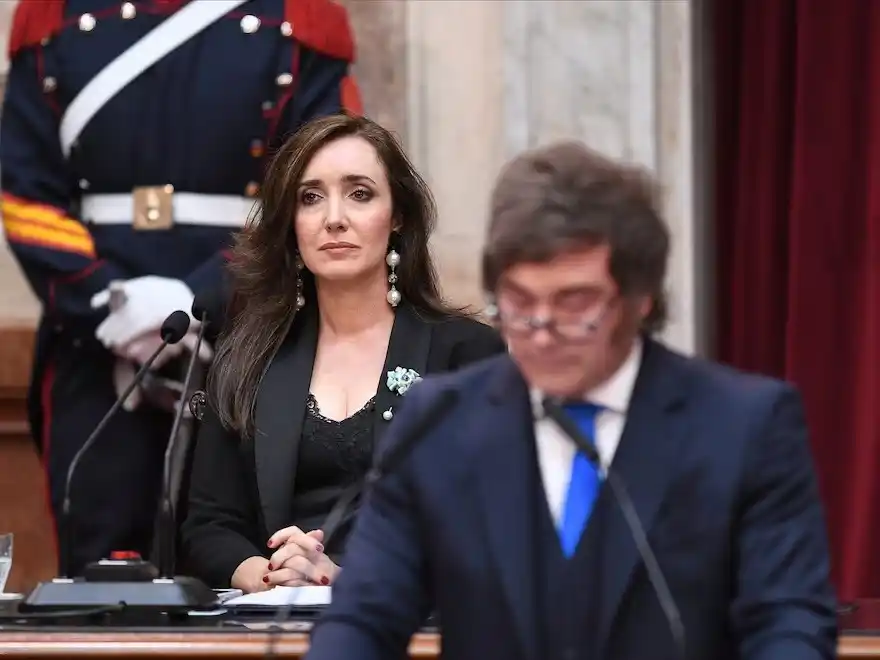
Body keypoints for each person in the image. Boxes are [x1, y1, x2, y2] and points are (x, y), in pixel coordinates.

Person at [306, 142, 838, 659]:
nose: (540, 330)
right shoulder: (439, 423)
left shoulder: (744, 426)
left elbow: (788, 624)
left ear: (640, 297)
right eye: (518, 302)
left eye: (574, 303)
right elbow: (364, 619)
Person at [0, 0, 363, 577]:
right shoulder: (53, 15)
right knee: (99, 583)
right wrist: (108, 302)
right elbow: (24, 194)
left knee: (249, 563)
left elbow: (322, 176)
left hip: (251, 338)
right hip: (96, 347)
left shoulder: (298, 14)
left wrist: (201, 301)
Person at [178, 113, 506, 593]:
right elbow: (208, 525)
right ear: (291, 224)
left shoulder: (469, 356)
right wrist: (274, 577)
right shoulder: (248, 357)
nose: (334, 218)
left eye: (360, 194)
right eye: (310, 198)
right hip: (273, 626)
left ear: (397, 216)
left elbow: (490, 528)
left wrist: (341, 580)